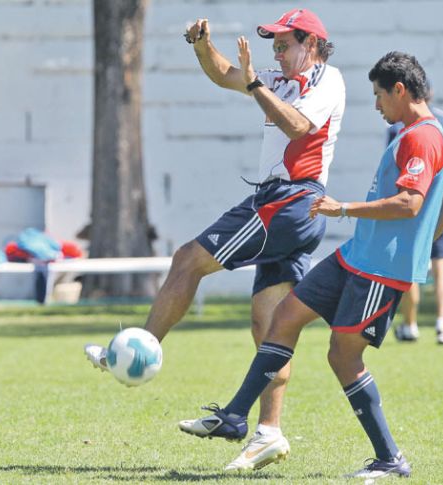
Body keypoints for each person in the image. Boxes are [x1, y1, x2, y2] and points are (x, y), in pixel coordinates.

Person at [83, 7, 345, 471]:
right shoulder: (280, 79)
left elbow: (297, 126)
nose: (277, 54)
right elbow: (225, 74)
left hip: (288, 202)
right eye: (274, 47)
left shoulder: (328, 79)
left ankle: (137, 348)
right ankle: (269, 432)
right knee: (269, 326)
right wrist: (202, 46)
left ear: (311, 44)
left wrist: (255, 83)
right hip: (290, 208)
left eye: (284, 45)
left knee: (188, 259)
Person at [178, 51, 443, 478]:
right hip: (355, 257)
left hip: (380, 271)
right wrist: (422, 242)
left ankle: (390, 459)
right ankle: (235, 415)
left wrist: (346, 210)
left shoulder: (422, 137)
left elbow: (410, 203)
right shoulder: (418, 134)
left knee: (343, 357)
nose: (376, 105)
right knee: (285, 317)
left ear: (400, 90)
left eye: (379, 95)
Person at [388, 82, 443, 345]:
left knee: (411, 261)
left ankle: (410, 325)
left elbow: (392, 166)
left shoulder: (398, 127)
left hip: (416, 197)